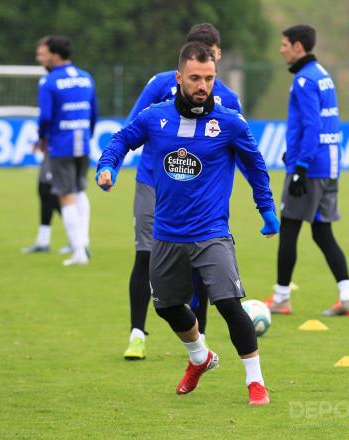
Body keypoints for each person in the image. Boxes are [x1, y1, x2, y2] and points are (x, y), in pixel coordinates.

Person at [96, 42, 278, 405]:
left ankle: (255, 383)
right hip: (166, 233)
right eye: (195, 78)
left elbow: (255, 165)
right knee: (165, 306)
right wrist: (107, 165)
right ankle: (200, 356)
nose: (203, 85)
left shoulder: (228, 122)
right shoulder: (155, 117)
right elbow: (121, 139)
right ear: (179, 77)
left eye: (209, 78)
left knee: (229, 304)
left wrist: (266, 207)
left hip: (212, 233)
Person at [122, 23, 243, 361]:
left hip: (200, 192)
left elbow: (239, 149)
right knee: (146, 254)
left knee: (200, 260)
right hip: (153, 182)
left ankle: (199, 340)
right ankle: (137, 333)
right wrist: (111, 167)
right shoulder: (161, 84)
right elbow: (132, 126)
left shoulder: (227, 99)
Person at [265, 24, 349, 317]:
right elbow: (320, 124)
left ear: (298, 47)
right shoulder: (323, 76)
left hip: (311, 168)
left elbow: (312, 125)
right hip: (329, 164)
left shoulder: (304, 81)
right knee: (322, 233)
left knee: (289, 229)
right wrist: (294, 152)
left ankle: (281, 298)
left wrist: (300, 166)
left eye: (284, 44)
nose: (281, 49)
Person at [36, 35, 97, 266]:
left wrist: (42, 138)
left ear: (54, 54)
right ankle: (84, 241)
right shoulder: (86, 77)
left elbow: (46, 116)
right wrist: (88, 133)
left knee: (65, 195)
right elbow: (93, 112)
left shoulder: (50, 81)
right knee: (81, 191)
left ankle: (79, 250)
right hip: (83, 141)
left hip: (61, 144)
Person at [21, 149, 62, 254]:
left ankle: (78, 240)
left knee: (54, 197)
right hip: (51, 157)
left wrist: (42, 139)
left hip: (56, 157)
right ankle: (43, 241)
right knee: (45, 195)